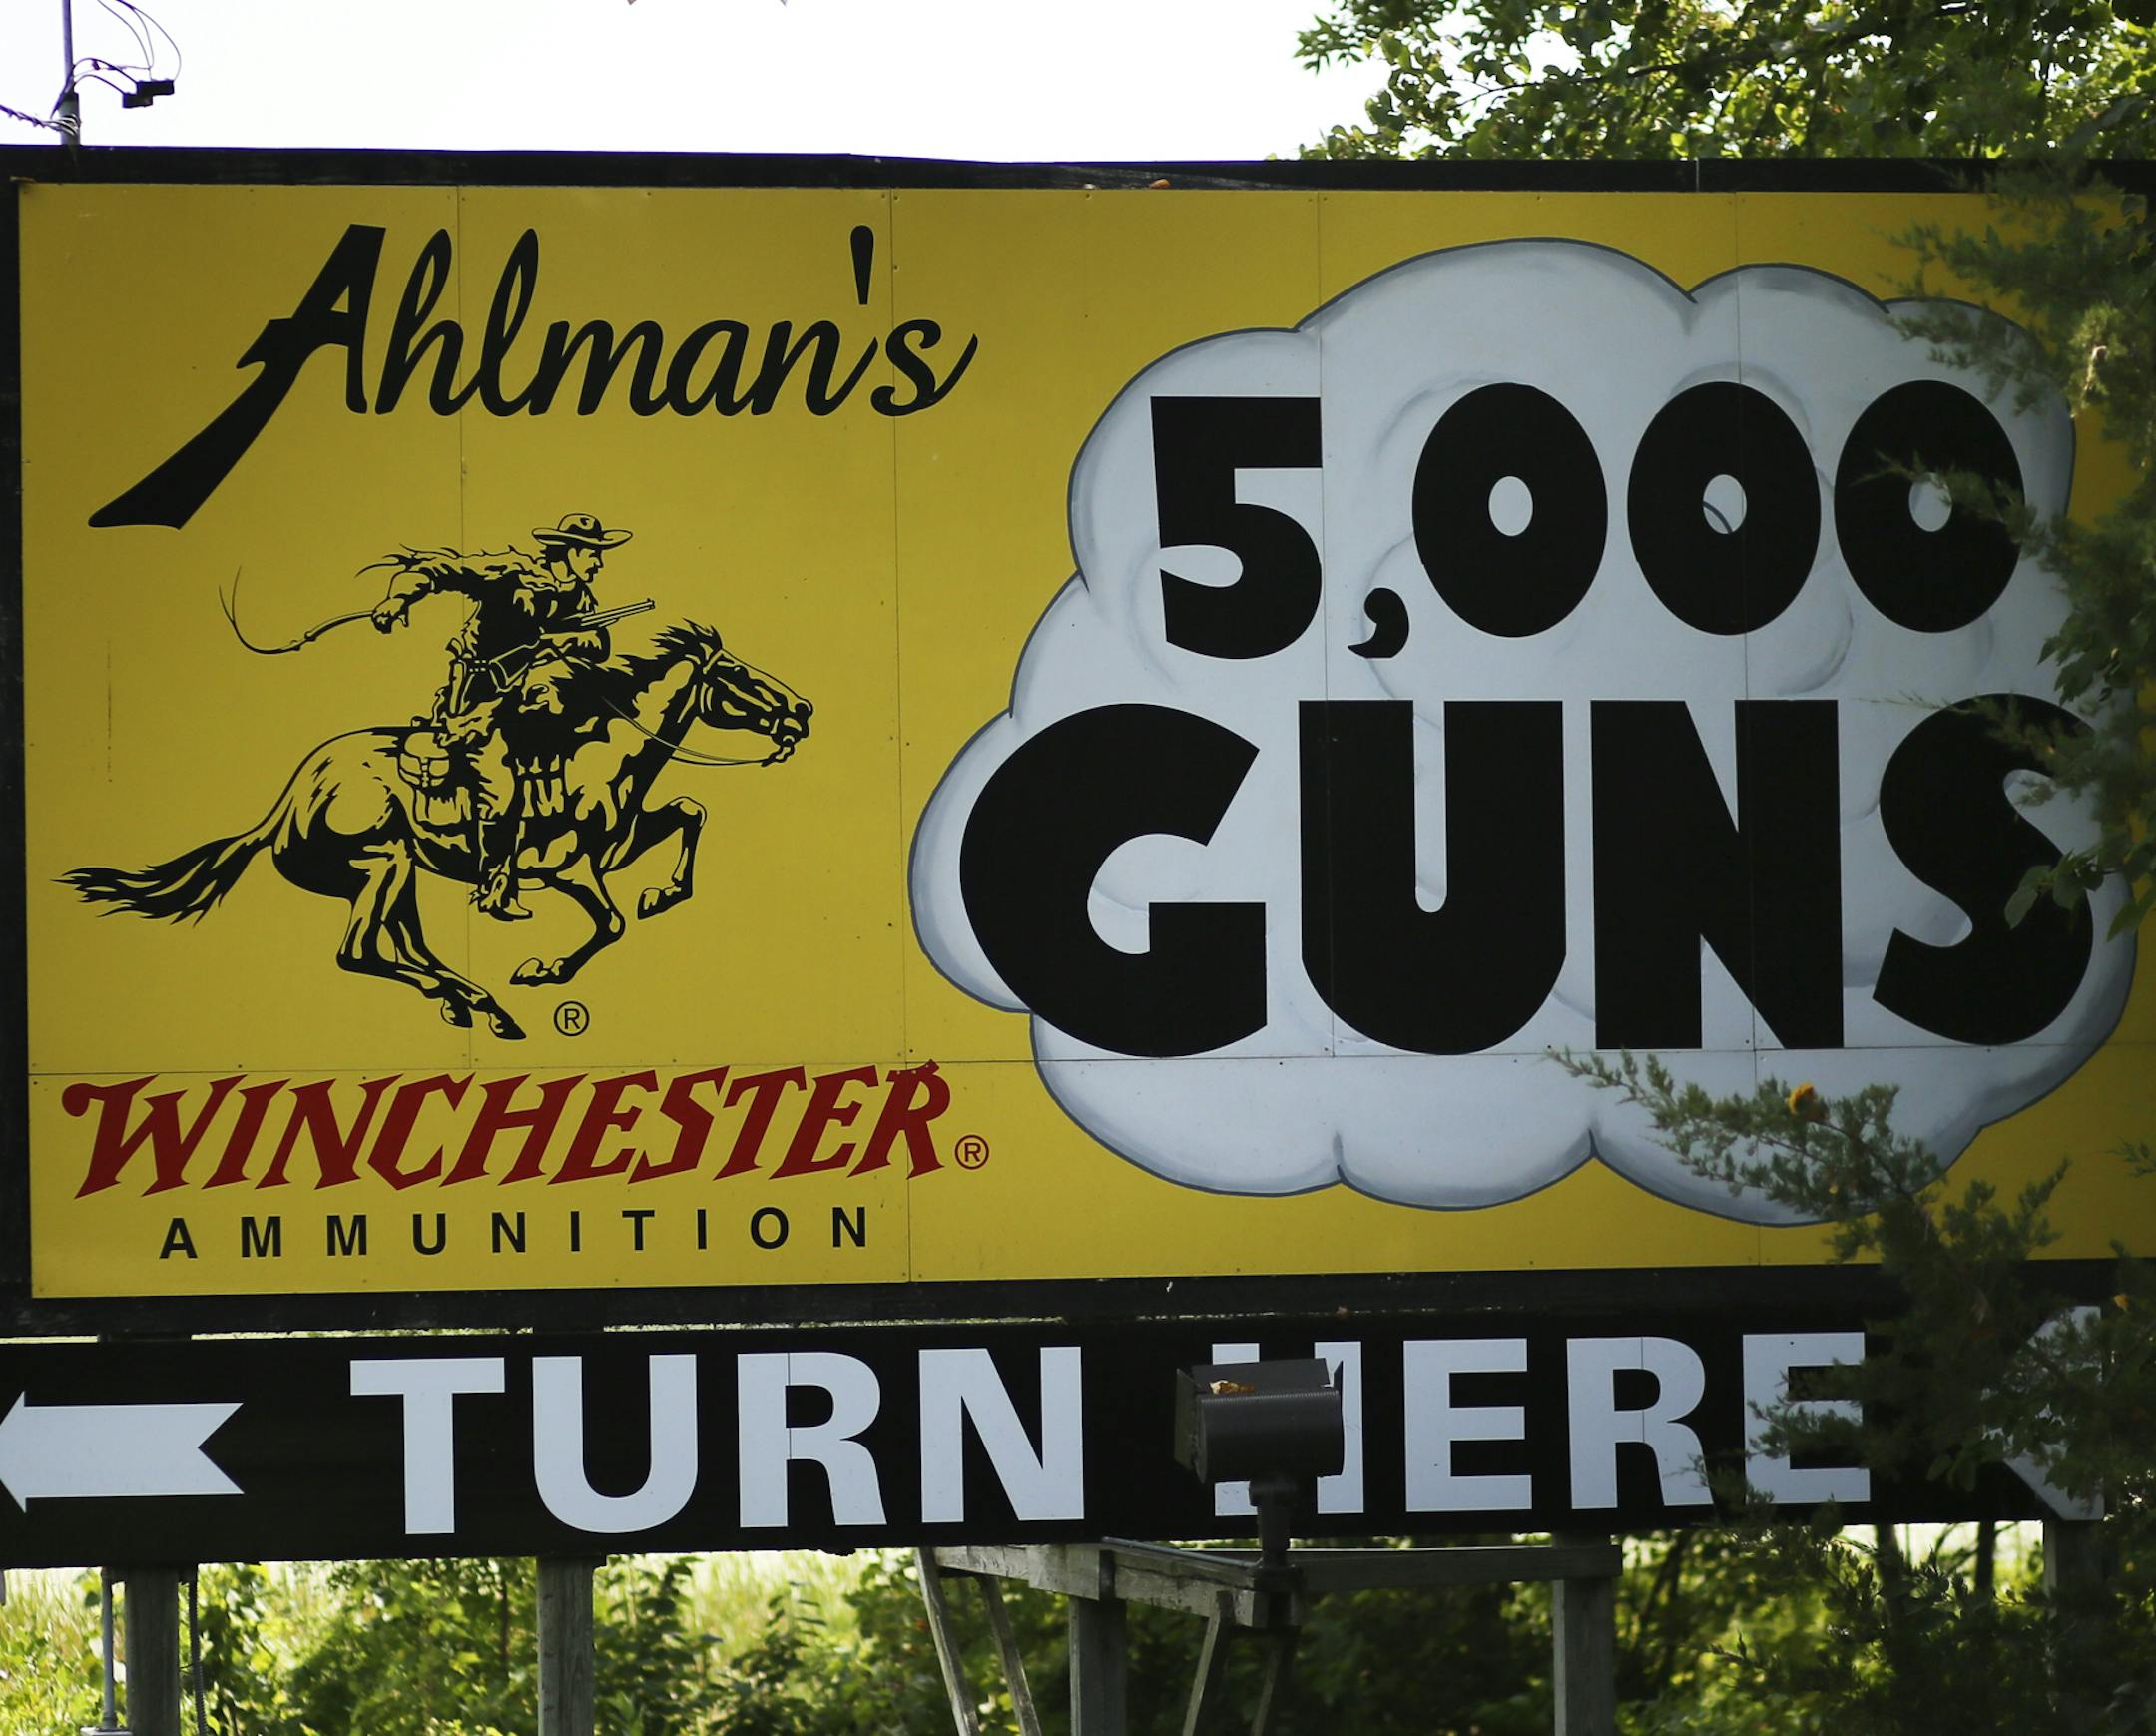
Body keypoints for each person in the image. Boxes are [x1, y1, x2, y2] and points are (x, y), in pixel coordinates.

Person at [371, 512, 632, 920]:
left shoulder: (580, 595)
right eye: (593, 554)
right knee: (498, 781)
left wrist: (568, 638)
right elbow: (438, 569)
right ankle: (495, 884)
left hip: (527, 700)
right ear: (570, 551)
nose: (598, 563)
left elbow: (598, 644)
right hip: (476, 700)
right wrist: (398, 598)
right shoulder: (510, 573)